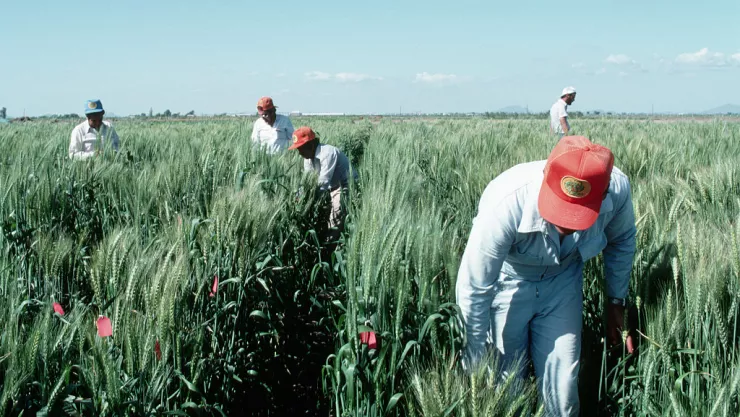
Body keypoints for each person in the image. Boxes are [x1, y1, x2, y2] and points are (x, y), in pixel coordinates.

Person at [455, 136, 636, 416]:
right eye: (560, 208)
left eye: (577, 214)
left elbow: (622, 240)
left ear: (603, 196)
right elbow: (475, 288)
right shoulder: (506, 202)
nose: (565, 223)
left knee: (562, 395)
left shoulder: (618, 189)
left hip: (562, 282)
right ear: (545, 180)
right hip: (509, 284)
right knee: (506, 389)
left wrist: (616, 303)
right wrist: (476, 361)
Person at [288, 126, 358, 243]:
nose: (299, 153)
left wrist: (307, 197)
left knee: (335, 215)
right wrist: (299, 195)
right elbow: (308, 180)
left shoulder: (328, 153)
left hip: (345, 185)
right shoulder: (308, 158)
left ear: (310, 145)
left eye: (300, 148)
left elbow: (324, 181)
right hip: (330, 186)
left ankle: (331, 245)